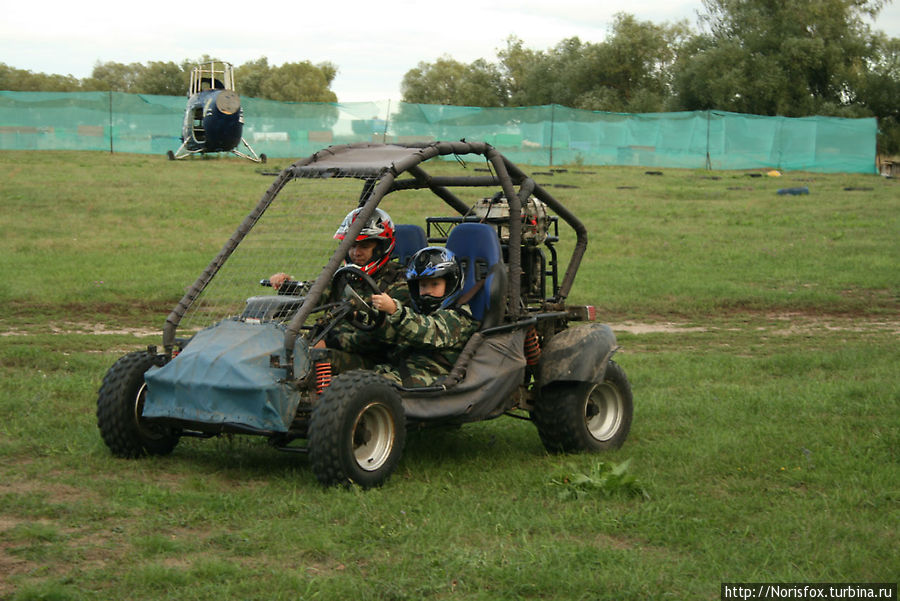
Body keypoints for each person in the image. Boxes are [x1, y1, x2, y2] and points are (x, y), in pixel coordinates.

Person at [327, 246, 480, 387]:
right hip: (398, 368)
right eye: (423, 285)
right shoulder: (419, 311)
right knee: (328, 370)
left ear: (450, 284)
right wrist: (361, 317)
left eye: (435, 284)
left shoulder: (457, 317)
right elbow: (391, 334)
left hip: (431, 375)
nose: (427, 291)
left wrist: (394, 310)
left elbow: (425, 331)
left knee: (356, 387)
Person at [269, 206, 408, 304]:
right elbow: (313, 294)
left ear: (381, 248)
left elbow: (385, 330)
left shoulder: (398, 281)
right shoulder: (340, 276)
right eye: (351, 246)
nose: (356, 253)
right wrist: (286, 285)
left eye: (364, 247)